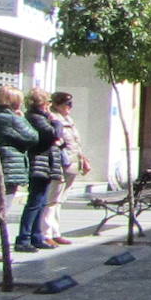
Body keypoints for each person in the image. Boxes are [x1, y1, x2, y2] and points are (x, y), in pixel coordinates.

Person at [0, 85, 37, 262]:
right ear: (14, 101)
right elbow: (33, 137)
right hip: (7, 168)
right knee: (0, 209)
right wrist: (22, 118)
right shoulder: (11, 118)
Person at [16, 87, 63, 253]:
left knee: (41, 201)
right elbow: (54, 133)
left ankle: (36, 236)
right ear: (42, 103)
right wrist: (56, 122)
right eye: (48, 102)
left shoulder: (40, 117)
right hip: (39, 162)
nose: (49, 105)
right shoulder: (36, 118)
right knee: (35, 201)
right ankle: (24, 238)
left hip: (46, 163)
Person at [40, 91, 89, 246]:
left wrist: (83, 159)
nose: (69, 107)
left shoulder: (68, 119)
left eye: (70, 104)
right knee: (51, 200)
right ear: (56, 104)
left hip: (72, 164)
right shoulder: (52, 118)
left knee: (59, 200)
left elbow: (75, 142)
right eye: (67, 104)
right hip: (59, 164)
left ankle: (56, 232)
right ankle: (46, 233)